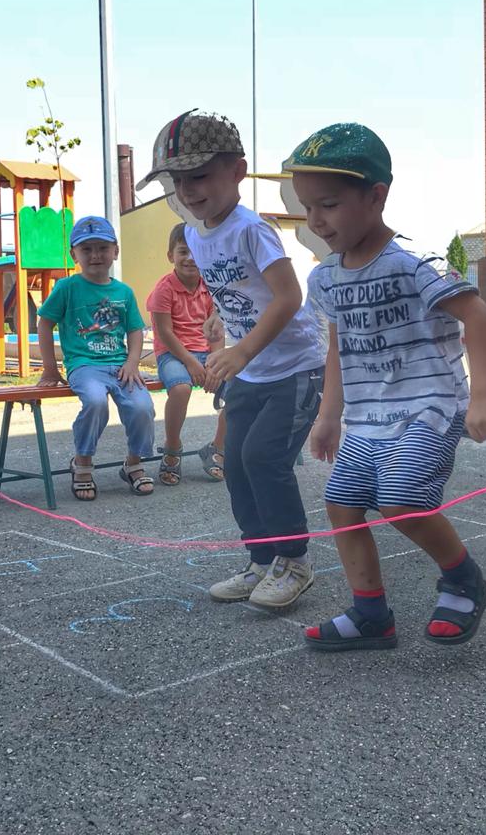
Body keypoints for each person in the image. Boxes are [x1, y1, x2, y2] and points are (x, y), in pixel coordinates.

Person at [285, 124, 486, 651]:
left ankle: (463, 579)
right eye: (308, 207)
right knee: (342, 504)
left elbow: (476, 314)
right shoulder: (326, 278)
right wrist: (328, 415)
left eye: (329, 205)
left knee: (401, 500)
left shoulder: (414, 263)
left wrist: (484, 397)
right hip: (367, 416)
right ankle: (370, 615)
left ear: (376, 196)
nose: (316, 220)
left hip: (429, 407)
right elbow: (339, 346)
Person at [136, 110, 325, 609]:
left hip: (293, 367)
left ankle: (294, 562)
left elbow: (288, 297)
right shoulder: (196, 234)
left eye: (199, 176)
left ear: (237, 171)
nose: (188, 190)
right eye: (178, 181)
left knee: (264, 459)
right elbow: (237, 288)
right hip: (250, 369)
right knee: (236, 465)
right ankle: (261, 561)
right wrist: (221, 320)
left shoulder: (252, 229)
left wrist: (241, 349)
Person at [37, 215, 155, 501]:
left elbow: (135, 330)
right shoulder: (66, 288)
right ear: (73, 254)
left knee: (142, 407)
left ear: (115, 251)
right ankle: (83, 462)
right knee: (95, 402)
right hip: (84, 365)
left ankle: (133, 463)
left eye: (102, 248)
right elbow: (44, 323)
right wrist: (50, 369)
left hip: (120, 365)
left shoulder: (123, 291)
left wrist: (132, 362)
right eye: (86, 249)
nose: (95, 255)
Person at [146, 223, 226, 486]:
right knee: (180, 389)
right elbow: (165, 333)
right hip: (173, 353)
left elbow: (217, 331)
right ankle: (172, 447)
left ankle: (217, 447)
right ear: (171, 256)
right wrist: (190, 362)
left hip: (206, 352)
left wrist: (216, 362)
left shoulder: (211, 286)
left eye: (197, 251)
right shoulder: (164, 289)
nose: (190, 258)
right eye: (183, 251)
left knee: (240, 388)